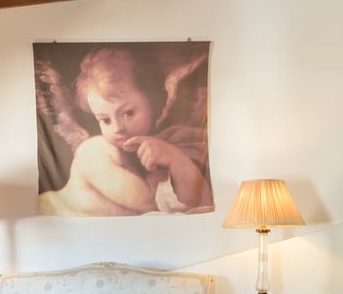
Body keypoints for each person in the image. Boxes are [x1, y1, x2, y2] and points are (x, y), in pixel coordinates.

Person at [37, 47, 213, 216]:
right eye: (105, 120)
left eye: (128, 113)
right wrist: (172, 160)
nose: (117, 128)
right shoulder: (94, 150)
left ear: (152, 102)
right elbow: (150, 203)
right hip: (54, 214)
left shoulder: (165, 142)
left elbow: (197, 202)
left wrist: (175, 158)